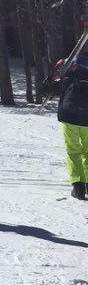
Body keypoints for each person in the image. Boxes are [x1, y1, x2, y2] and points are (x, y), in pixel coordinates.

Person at [43, 52, 88, 200]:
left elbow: (45, 88)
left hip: (70, 119)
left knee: (73, 152)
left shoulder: (67, 80)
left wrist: (52, 73)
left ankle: (78, 187)